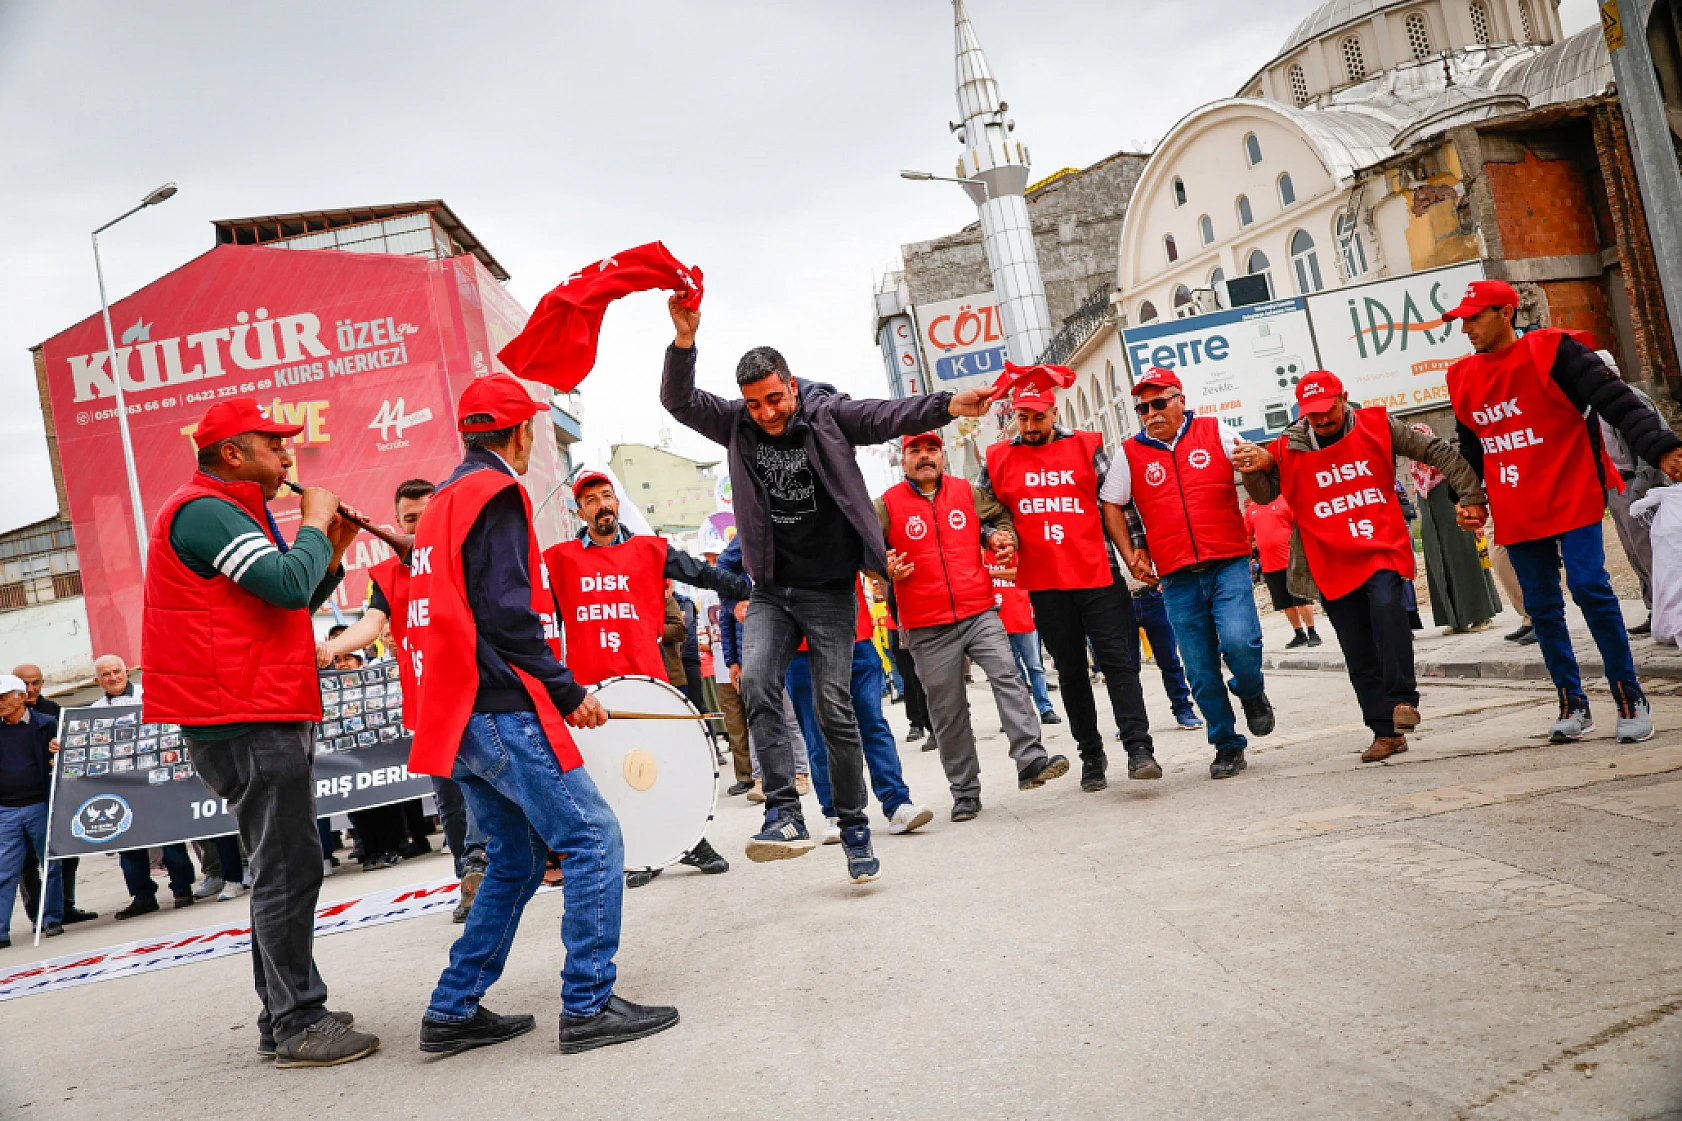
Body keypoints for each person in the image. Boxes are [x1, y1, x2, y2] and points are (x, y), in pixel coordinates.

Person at [659, 294, 992, 882]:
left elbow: (888, 414)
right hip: (771, 591)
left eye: (775, 399)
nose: (766, 413)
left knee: (835, 708)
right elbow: (679, 401)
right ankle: (785, 812)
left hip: (829, 591)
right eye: (756, 403)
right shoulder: (735, 423)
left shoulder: (828, 414)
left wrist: (944, 404)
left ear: (792, 385)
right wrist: (684, 341)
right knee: (759, 680)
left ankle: (856, 827)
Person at [406, 373, 677, 1056]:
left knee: (517, 861)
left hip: (456, 709)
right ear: (520, 431)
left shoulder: (441, 500)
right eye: (536, 429)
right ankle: (587, 1004)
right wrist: (564, 687)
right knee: (592, 837)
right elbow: (505, 613)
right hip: (497, 703)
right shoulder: (496, 492)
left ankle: (452, 1008)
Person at [141, 397, 377, 1067]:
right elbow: (280, 583)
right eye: (275, 445)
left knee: (282, 866)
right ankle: (301, 1017)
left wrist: (329, 550)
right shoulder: (207, 509)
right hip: (244, 713)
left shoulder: (228, 512)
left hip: (254, 706)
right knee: (288, 868)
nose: (287, 457)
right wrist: (312, 520)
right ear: (234, 454)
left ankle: (281, 1015)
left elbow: (291, 596)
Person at [1443, 280, 1682, 742]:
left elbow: (1617, 401)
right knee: (1543, 606)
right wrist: (1469, 497)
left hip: (1570, 489)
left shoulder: (1555, 351)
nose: (1466, 327)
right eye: (1462, 320)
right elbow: (1471, 445)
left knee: (1590, 584)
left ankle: (1629, 696)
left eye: (1475, 317)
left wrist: (1661, 447)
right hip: (1516, 502)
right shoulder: (1462, 377)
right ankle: (1572, 703)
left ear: (1506, 313)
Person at [1235, 371, 1487, 761]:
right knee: (1356, 647)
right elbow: (1266, 494)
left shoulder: (1378, 425)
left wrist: (1471, 494)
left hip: (1378, 546)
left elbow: (1435, 451)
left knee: (1388, 608)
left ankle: (1403, 700)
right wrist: (1253, 469)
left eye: (1326, 410)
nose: (1320, 420)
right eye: (1312, 414)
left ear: (1343, 399)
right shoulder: (1288, 446)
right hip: (1330, 558)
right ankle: (1385, 732)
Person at [545, 470, 749, 888]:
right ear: (580, 511)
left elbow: (700, 572)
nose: (602, 505)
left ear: (617, 504)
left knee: (666, 770)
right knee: (608, 777)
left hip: (648, 685)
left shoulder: (649, 551)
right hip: (591, 692)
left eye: (608, 496)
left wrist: (743, 589)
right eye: (591, 500)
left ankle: (691, 841)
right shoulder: (559, 560)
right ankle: (636, 853)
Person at [974, 365, 1159, 792]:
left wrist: (1134, 553)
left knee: (1119, 664)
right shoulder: (998, 458)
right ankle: (1091, 756)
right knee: (1072, 672)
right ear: (1013, 416)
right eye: (1023, 417)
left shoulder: (1086, 446)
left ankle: (1138, 748)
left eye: (1038, 417)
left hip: (1097, 573)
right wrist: (994, 536)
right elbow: (981, 514)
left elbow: (1119, 504)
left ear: (1053, 412)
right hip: (1044, 583)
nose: (1031, 426)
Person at [880, 431, 1069, 821]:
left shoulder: (968, 492)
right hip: (925, 624)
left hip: (978, 610)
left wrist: (1004, 537)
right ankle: (965, 791)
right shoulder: (885, 505)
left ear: (942, 455)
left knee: (1008, 676)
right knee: (948, 711)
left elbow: (999, 518)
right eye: (915, 451)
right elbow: (861, 544)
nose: (925, 456)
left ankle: (1031, 759)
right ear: (904, 460)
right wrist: (882, 564)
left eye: (932, 449)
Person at [1099, 366, 1273, 780]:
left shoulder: (1217, 432)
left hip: (1227, 562)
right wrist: (1130, 556)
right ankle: (1227, 744)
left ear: (1181, 400)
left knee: (1240, 644)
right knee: (1198, 667)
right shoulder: (1129, 453)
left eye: (1160, 403)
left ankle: (1251, 691)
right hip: (1176, 577)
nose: (1151, 413)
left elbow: (1255, 471)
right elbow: (1111, 503)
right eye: (1143, 407)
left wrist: (1255, 464)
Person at [318, 479, 482, 916]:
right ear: (396, 522)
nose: (419, 526)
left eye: (428, 517)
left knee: (485, 796)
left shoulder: (464, 558)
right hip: (429, 710)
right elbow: (372, 624)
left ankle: (490, 869)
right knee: (451, 805)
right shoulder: (387, 577)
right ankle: (469, 878)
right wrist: (331, 647)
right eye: (411, 519)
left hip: (477, 702)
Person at [785, 574, 935, 836]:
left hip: (856, 638)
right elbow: (734, 565)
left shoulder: (847, 530)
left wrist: (885, 566)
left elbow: (877, 550)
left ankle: (897, 803)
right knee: (818, 733)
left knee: (873, 724)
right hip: (802, 647)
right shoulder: (766, 533)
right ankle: (836, 813)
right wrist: (738, 602)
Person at [12, 664, 95, 925]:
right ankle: (38, 913)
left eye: (36, 683)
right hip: (18, 800)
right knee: (27, 861)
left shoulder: (54, 712)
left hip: (54, 794)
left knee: (65, 852)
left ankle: (64, 905)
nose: (31, 689)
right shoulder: (6, 716)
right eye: (25, 684)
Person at [1595, 350, 1668, 635]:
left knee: (1649, 550)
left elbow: (1654, 441)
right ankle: (1654, 608)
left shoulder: (1633, 400)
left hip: (1638, 483)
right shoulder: (1597, 406)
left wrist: (1642, 485)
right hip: (1615, 485)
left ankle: (1667, 610)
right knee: (1633, 552)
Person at [1407, 423, 1502, 635]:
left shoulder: (1445, 466)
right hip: (1432, 528)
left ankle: (1481, 615)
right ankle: (1455, 619)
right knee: (1441, 569)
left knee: (1465, 564)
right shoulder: (1417, 472)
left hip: (1455, 524)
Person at [0, 674, 63, 946]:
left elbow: (65, 760)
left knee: (50, 863)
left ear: (20, 697)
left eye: (3, 697)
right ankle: (1, 930)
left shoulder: (47, 725)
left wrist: (58, 751)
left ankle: (50, 918)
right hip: (6, 810)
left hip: (40, 804)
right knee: (5, 871)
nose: (0, 703)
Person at [982, 549, 1060, 725]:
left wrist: (991, 572)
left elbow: (1020, 572)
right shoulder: (983, 553)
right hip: (997, 622)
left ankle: (1045, 709)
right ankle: (1019, 714)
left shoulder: (1015, 550)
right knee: (1010, 673)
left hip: (1022, 618)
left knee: (1035, 666)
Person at [1244, 495, 1321, 648]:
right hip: (1269, 564)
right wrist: (1248, 561)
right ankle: (1299, 633)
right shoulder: (1250, 511)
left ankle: (1312, 631)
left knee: (1301, 598)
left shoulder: (1284, 501)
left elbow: (1298, 527)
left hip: (1291, 560)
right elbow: (1247, 537)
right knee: (1284, 601)